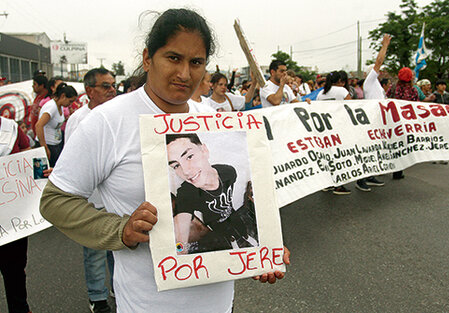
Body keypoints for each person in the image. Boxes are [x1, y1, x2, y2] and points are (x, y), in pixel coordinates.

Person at [40, 8, 289, 313]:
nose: (185, 74)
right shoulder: (107, 122)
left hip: (220, 306)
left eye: (196, 62)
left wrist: (264, 249)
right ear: (148, 58)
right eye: (173, 58)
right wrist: (121, 230)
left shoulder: (213, 122)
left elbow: (247, 205)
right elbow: (54, 201)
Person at [64, 68, 117, 313]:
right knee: (95, 253)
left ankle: (118, 287)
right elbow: (73, 162)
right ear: (89, 91)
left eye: (113, 85)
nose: (112, 90)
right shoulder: (79, 120)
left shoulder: (117, 115)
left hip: (116, 199)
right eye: (105, 86)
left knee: (117, 249)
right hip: (93, 201)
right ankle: (97, 298)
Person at [167, 133, 258, 255]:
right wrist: (179, 250)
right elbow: (181, 236)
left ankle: (248, 240)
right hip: (215, 224)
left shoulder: (228, 172)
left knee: (242, 230)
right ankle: (235, 248)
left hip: (232, 212)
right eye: (176, 165)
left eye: (189, 156)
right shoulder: (186, 193)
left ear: (204, 151)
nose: (186, 171)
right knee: (230, 239)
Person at [0, 116, 32, 313]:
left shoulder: (10, 128)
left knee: (15, 272)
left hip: (10, 218)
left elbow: (27, 159)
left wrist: (38, 173)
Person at [357, 34, 391, 190]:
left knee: (375, 150)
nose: (382, 72)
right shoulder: (370, 81)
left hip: (379, 119)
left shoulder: (376, 84)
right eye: (379, 70)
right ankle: (360, 180)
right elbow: (378, 61)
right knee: (367, 150)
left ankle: (370, 176)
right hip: (371, 120)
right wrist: (384, 45)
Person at [387, 67, 419, 179]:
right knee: (403, 145)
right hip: (406, 122)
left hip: (393, 120)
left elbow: (386, 100)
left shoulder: (393, 88)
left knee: (393, 144)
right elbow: (416, 106)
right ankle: (399, 170)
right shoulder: (414, 90)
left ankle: (391, 166)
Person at [35, 83, 77, 167]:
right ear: (63, 96)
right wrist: (44, 147)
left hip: (55, 145)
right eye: (70, 101)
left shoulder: (60, 106)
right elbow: (39, 125)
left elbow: (53, 122)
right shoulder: (51, 107)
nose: (70, 104)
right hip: (48, 145)